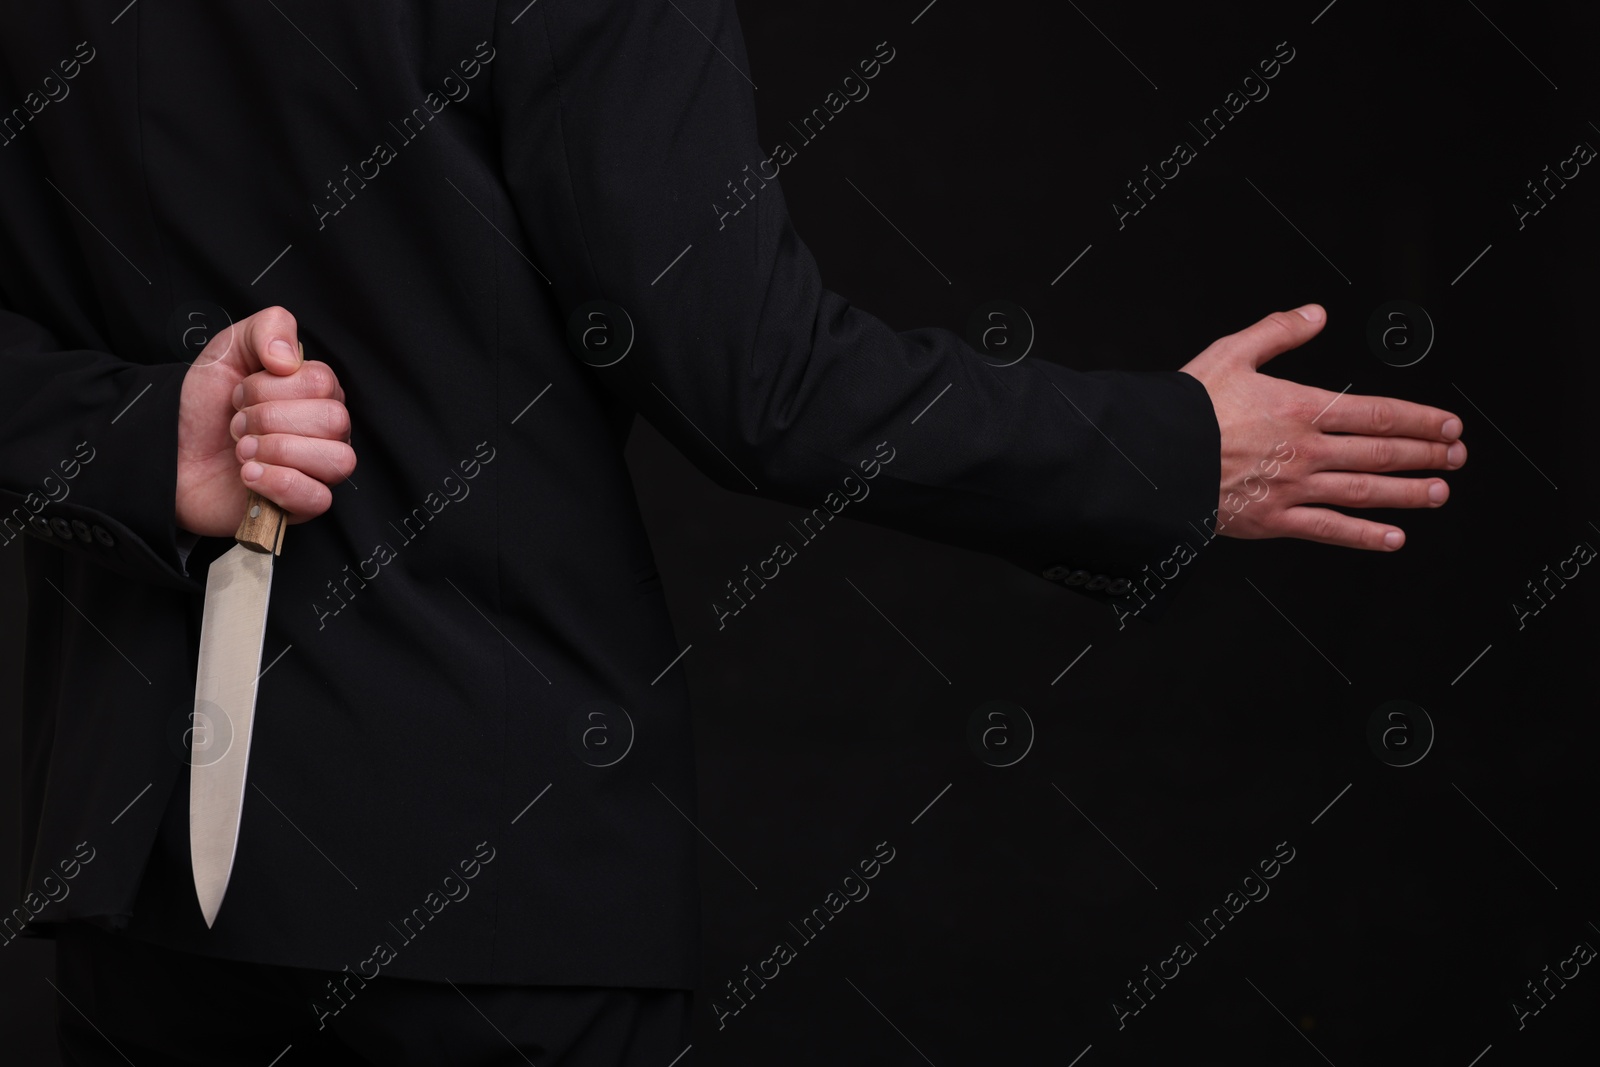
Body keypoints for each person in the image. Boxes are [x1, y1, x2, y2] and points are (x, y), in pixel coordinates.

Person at [0, 2, 1464, 1063]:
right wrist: (1169, 452)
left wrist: (143, 443)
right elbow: (755, 381)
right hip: (483, 900)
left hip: (139, 898)